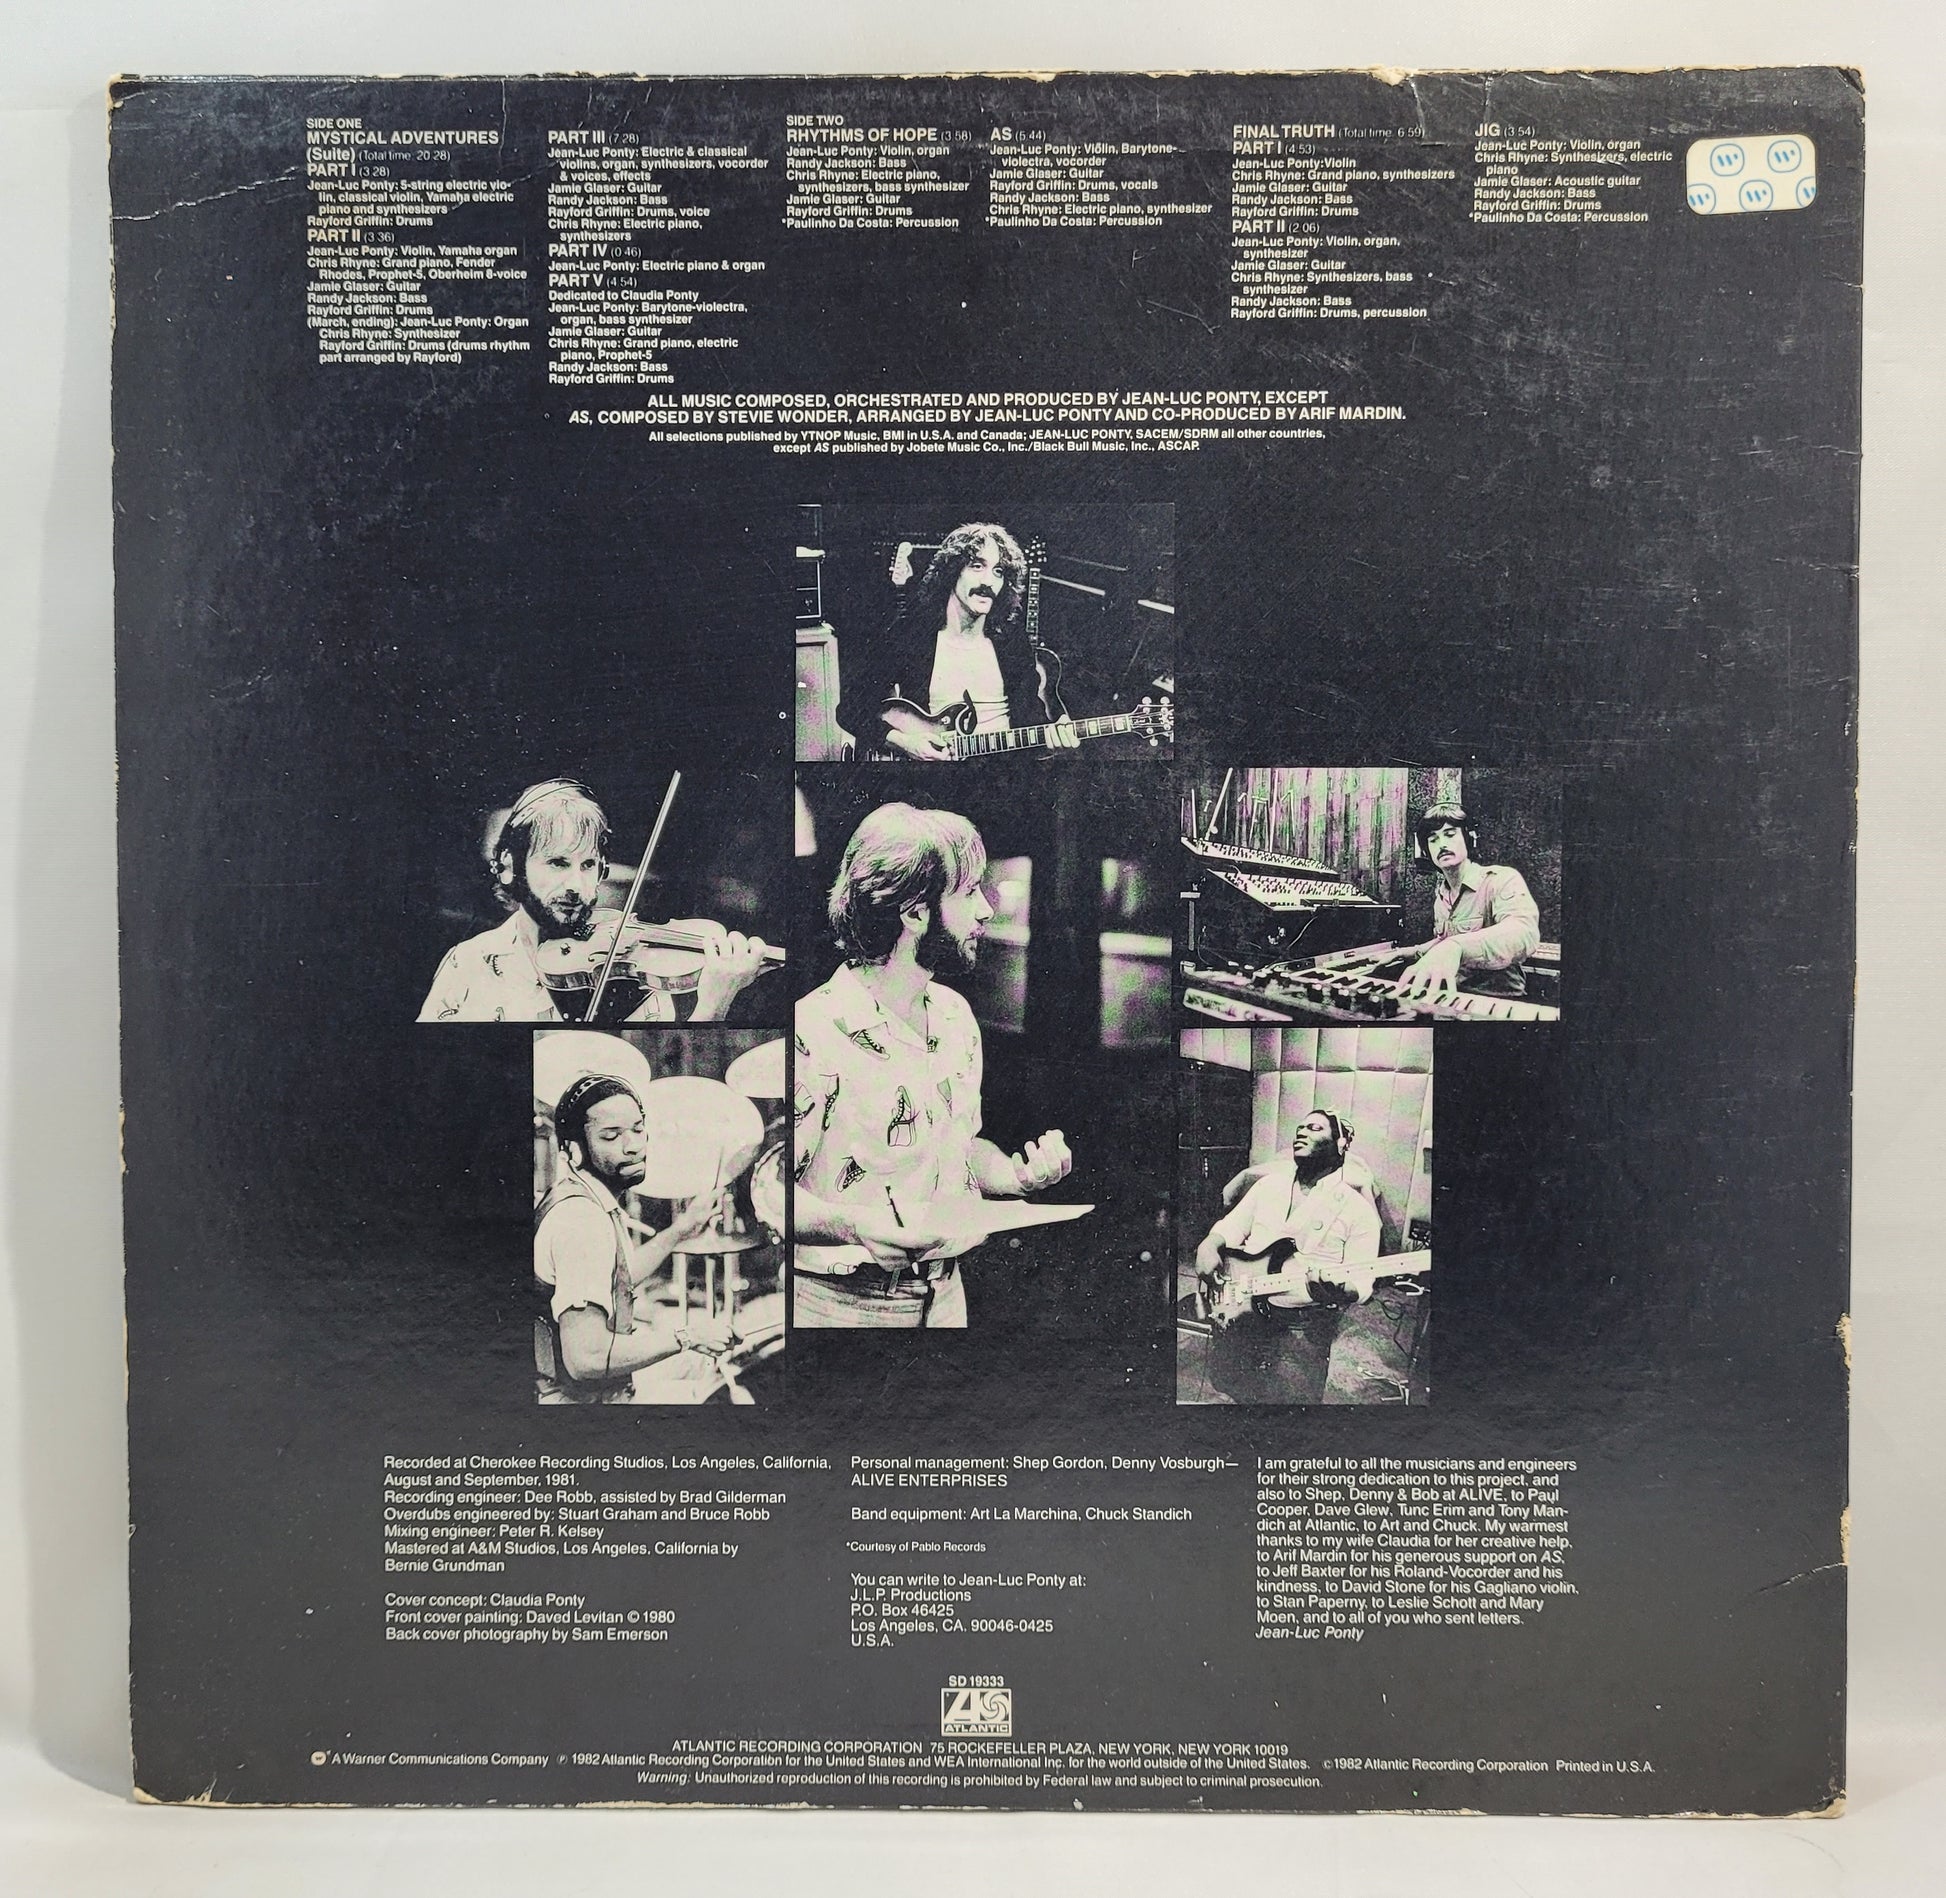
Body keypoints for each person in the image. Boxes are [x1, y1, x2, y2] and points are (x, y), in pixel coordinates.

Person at [790, 803, 1071, 1327]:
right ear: (916, 913)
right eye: (969, 892)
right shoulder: (813, 1028)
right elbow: (769, 1193)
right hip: (837, 1306)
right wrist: (855, 1227)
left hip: (944, 1298)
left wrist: (1016, 1175)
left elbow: (960, 1149)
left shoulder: (954, 1015)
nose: (986, 910)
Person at [418, 778, 768, 1023]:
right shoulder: (467, 964)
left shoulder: (630, 976)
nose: (577, 885)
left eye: (588, 865)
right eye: (557, 863)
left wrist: (714, 1005)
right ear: (510, 867)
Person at [1194, 1110, 1422, 1404]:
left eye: (1315, 1128)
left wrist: (1340, 1290)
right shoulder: (1268, 1186)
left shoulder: (1357, 1210)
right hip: (1241, 1312)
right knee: (1233, 1388)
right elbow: (1232, 1227)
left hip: (1301, 1329)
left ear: (1341, 1144)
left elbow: (1362, 1283)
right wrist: (1209, 1244)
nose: (1301, 1132)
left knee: (1291, 1405)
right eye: (1300, 1128)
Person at [533, 1073, 729, 1403]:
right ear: (574, 1150)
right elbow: (587, 1359)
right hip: (576, 1403)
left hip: (595, 1390)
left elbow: (614, 1279)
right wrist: (688, 1335)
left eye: (638, 1129)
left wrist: (680, 1230)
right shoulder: (581, 1221)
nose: (634, 1146)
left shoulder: (584, 1197)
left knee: (704, 1369)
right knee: (717, 1395)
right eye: (611, 1136)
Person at [839, 522, 1076, 759]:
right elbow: (850, 709)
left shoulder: (1012, 642)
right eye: (977, 566)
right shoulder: (911, 636)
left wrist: (1053, 739)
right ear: (952, 571)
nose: (988, 581)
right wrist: (905, 742)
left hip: (1003, 774)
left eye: (998, 571)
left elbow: (1031, 725)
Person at [1390, 801, 1541, 1003]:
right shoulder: (1441, 894)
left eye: (1450, 834)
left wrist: (1456, 945)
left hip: (1498, 1000)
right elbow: (1445, 940)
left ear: (1469, 838)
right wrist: (1406, 952)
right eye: (1433, 840)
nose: (1442, 845)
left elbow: (1523, 932)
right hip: (1453, 995)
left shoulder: (1501, 879)